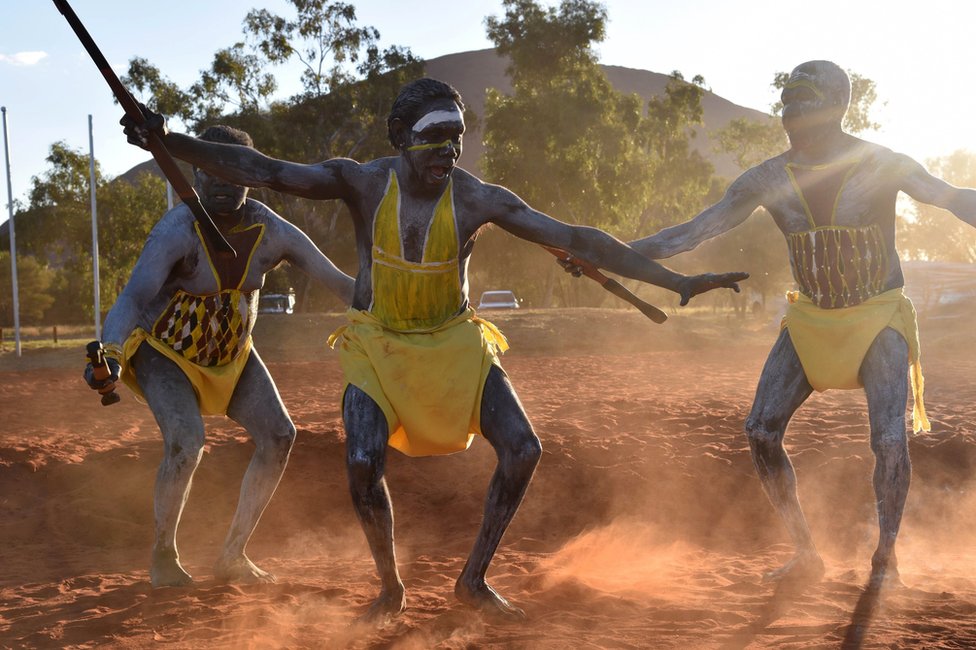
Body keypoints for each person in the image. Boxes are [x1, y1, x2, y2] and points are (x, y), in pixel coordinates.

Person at [122, 78, 748, 619]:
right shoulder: (362, 183)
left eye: (456, 138)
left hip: (456, 345)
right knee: (363, 464)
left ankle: (472, 580)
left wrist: (676, 280)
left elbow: (580, 236)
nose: (446, 151)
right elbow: (266, 171)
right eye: (433, 137)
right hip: (379, 347)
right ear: (400, 138)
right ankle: (391, 587)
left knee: (524, 449)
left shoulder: (478, 198)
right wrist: (165, 139)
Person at [629, 60, 976, 589]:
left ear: (839, 107)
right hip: (810, 319)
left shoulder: (883, 164)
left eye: (805, 100)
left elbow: (950, 198)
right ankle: (806, 555)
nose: (792, 112)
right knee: (760, 430)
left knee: (888, 440)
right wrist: (611, 253)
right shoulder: (767, 179)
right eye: (787, 101)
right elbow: (693, 232)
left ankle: (885, 560)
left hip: (877, 315)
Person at [84, 125, 355, 588]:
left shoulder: (271, 230)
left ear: (252, 175)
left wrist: (402, 304)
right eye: (212, 172)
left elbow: (337, 281)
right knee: (187, 442)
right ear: (194, 173)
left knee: (279, 436)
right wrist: (107, 353)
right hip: (164, 353)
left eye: (234, 173)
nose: (224, 184)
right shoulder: (177, 232)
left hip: (233, 355)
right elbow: (133, 298)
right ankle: (164, 553)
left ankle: (233, 555)